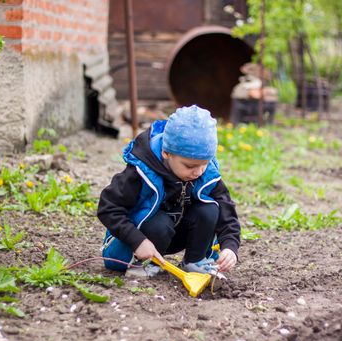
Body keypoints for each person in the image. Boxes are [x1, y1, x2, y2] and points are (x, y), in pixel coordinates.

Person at [97, 105, 241, 277]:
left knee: (209, 209)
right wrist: (137, 241)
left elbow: (226, 210)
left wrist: (230, 246)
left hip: (171, 236)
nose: (198, 172)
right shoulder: (140, 172)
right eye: (190, 166)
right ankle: (141, 264)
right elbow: (107, 208)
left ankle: (195, 261)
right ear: (166, 153)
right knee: (160, 222)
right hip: (130, 246)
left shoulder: (205, 173)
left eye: (205, 163)